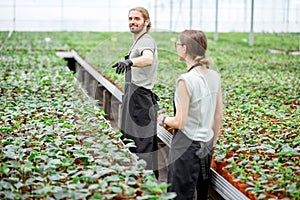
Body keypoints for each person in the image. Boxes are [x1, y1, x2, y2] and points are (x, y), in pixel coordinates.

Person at [157, 30, 223, 199]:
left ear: (184, 49)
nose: (177, 47)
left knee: (179, 196)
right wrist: (210, 144)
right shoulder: (214, 77)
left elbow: (179, 122)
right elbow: (218, 118)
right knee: (201, 194)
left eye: (178, 45)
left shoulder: (185, 80)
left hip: (185, 148)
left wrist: (163, 119)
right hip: (205, 147)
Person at [112, 7, 159, 178]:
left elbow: (148, 59)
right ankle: (136, 181)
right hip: (133, 96)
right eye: (130, 18)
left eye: (137, 18)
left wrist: (130, 62)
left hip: (140, 99)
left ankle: (146, 183)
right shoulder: (138, 41)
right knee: (131, 140)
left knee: (142, 144)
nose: (132, 22)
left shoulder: (146, 41)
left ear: (146, 22)